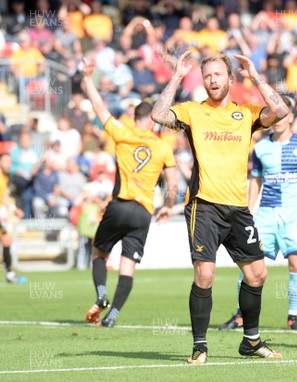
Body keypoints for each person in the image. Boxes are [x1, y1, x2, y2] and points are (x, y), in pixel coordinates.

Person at [151, 51, 289, 364]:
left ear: (229, 79)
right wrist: (176, 76)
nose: (212, 80)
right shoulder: (191, 112)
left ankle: (251, 341)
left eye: (218, 75)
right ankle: (200, 346)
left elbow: (280, 110)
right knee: (205, 275)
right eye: (207, 76)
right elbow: (159, 114)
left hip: (238, 208)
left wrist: (255, 76)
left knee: (257, 274)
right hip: (204, 205)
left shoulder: (246, 113)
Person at [81, 58, 177, 328]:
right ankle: (113, 315)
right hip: (143, 212)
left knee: (99, 253)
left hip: (120, 204)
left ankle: (101, 297)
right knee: (128, 265)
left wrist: (88, 78)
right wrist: (168, 205)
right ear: (153, 122)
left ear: (135, 118)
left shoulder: (123, 133)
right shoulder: (163, 147)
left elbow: (99, 108)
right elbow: (173, 183)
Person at [218, 96, 297, 332]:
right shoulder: (261, 147)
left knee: (296, 263)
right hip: (265, 213)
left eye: (282, 115)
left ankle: (292, 318)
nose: (277, 120)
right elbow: (255, 179)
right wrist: (247, 209)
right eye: (273, 115)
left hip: (294, 212)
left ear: (291, 117)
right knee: (250, 263)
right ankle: (240, 315)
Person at [0, 154, 27, 284]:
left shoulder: (5, 178)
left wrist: (13, 209)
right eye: (5, 161)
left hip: (2, 214)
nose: (8, 164)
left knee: (6, 241)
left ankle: (10, 274)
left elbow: (3, 198)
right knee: (6, 240)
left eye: (10, 162)